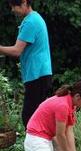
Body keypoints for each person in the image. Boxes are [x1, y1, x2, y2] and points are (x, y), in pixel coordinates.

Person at [0, 0, 52, 128]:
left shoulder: (30, 22)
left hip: (37, 74)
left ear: (24, 2)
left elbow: (17, 51)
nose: (12, 10)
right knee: (37, 117)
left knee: (29, 117)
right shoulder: (35, 18)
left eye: (14, 6)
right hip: (40, 73)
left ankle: (38, 146)